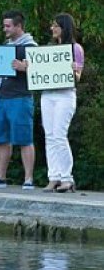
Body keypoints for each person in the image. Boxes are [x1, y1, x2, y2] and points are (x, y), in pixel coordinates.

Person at [0, 10, 38, 189]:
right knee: (1, 138)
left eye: (8, 26)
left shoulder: (31, 47)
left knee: (24, 139)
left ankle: (28, 178)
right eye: (4, 25)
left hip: (20, 98)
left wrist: (24, 67)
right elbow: (0, 68)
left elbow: (41, 70)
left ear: (18, 26)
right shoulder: (5, 46)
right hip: (3, 96)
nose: (4, 29)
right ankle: (0, 177)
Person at [41, 14, 84, 193]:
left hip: (65, 95)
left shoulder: (75, 48)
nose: (52, 28)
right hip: (48, 94)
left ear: (64, 28)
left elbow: (78, 78)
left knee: (59, 134)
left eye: (55, 25)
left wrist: (75, 70)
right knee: (49, 136)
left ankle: (66, 177)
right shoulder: (50, 49)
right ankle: (54, 176)